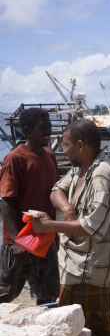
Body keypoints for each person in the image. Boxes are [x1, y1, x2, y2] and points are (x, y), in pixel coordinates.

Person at [31, 119, 110, 336]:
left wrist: (50, 225)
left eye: (66, 145)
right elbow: (55, 190)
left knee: (95, 334)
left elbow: (93, 226)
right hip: (73, 266)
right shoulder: (81, 169)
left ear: (80, 145)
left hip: (91, 270)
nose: (63, 150)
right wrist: (67, 208)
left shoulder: (101, 174)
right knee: (80, 333)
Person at [0, 108, 60, 305]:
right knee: (6, 293)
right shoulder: (15, 159)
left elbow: (55, 193)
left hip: (45, 238)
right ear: (27, 130)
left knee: (48, 293)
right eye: (42, 128)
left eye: (49, 127)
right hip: (20, 241)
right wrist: (17, 240)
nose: (48, 131)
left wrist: (57, 229)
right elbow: (6, 200)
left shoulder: (50, 155)